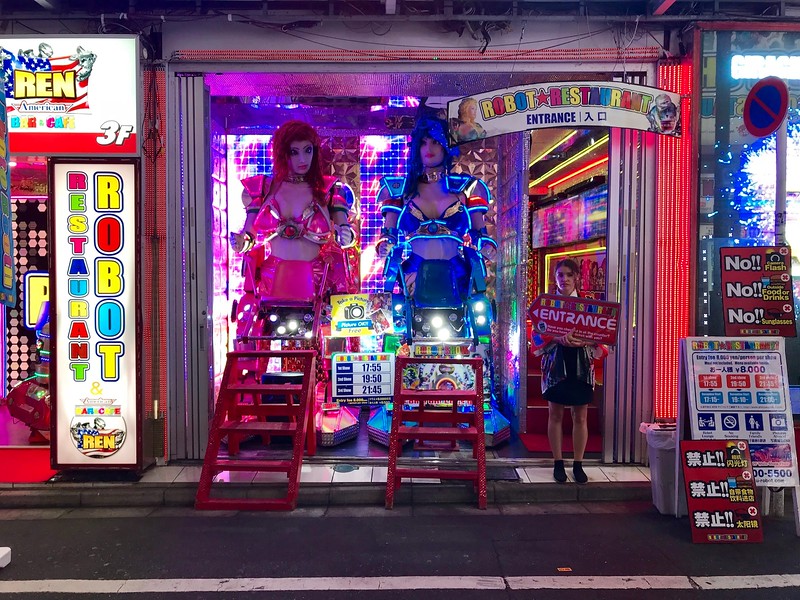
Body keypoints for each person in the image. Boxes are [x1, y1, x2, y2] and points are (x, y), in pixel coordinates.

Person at [229, 120, 356, 303]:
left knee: (318, 328)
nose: (303, 159)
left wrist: (347, 236)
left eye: (308, 150)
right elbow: (250, 235)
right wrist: (241, 242)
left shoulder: (329, 190)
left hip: (317, 279)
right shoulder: (262, 189)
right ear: (282, 153)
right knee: (268, 329)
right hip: (272, 277)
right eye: (294, 152)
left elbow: (346, 231)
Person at [376, 116, 496, 301]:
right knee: (409, 323)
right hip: (414, 274)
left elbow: (480, 234)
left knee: (465, 323)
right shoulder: (399, 189)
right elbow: (388, 233)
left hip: (456, 273)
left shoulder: (467, 187)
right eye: (423, 143)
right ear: (416, 147)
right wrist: (384, 245)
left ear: (445, 146)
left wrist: (487, 246)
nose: (428, 149)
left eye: (435, 142)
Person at [534, 258, 607, 484]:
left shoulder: (590, 305)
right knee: (555, 414)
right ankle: (557, 463)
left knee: (580, 416)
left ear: (577, 278)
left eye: (568, 275)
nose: (564, 279)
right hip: (556, 364)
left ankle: (578, 464)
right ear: (555, 278)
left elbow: (604, 342)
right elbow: (535, 337)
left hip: (582, 365)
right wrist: (555, 337)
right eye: (560, 275)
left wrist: (586, 341)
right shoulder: (546, 306)